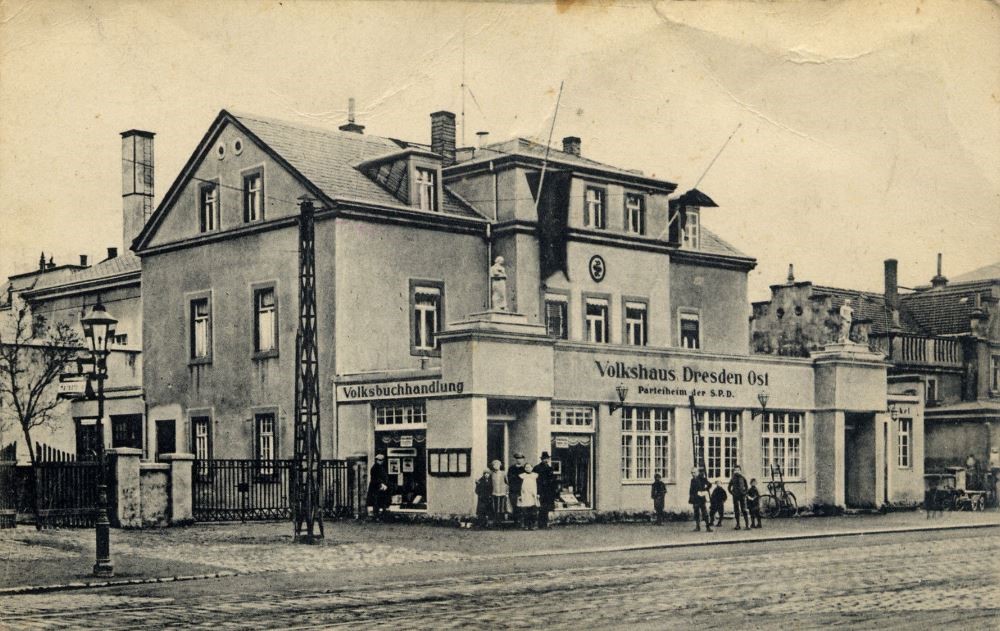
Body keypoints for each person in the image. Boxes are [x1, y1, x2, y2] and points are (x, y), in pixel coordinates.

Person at [534, 452, 559, 529]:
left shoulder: (550, 468)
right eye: (544, 459)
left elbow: (552, 480)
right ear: (541, 459)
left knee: (547, 508)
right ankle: (540, 524)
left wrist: (554, 490)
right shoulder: (537, 468)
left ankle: (545, 524)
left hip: (549, 491)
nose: (546, 460)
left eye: (547, 459)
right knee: (541, 508)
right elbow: (535, 480)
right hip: (541, 490)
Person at [366, 454, 390, 521]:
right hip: (376, 487)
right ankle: (376, 516)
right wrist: (381, 484)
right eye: (379, 460)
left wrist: (385, 484)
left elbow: (385, 477)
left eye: (382, 460)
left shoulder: (382, 467)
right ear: (376, 460)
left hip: (382, 487)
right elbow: (375, 478)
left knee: (381, 501)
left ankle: (382, 515)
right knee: (376, 502)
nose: (381, 461)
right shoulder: (374, 468)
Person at [688, 467, 712, 532]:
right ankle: (697, 527)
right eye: (692, 473)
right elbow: (691, 490)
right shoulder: (692, 480)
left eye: (694, 472)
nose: (693, 474)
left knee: (704, 513)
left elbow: (709, 484)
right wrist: (691, 498)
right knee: (696, 513)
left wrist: (704, 490)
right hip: (695, 499)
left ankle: (708, 527)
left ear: (697, 472)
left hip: (701, 498)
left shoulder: (702, 478)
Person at [518, 462, 540, 530]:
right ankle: (526, 525)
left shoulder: (535, 475)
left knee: (533, 511)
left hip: (533, 494)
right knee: (525, 511)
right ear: (524, 468)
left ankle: (533, 525)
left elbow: (538, 485)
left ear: (532, 468)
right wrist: (520, 495)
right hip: (525, 494)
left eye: (529, 467)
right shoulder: (522, 476)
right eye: (526, 467)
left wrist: (538, 493)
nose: (528, 469)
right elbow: (519, 486)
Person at [728, 464, 750, 530]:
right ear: (734, 471)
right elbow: (729, 487)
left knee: (744, 510)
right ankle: (738, 525)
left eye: (738, 470)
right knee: (736, 510)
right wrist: (732, 493)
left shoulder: (743, 478)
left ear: (740, 471)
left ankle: (747, 525)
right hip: (735, 496)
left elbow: (746, 487)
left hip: (742, 496)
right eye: (735, 470)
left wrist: (745, 492)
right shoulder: (732, 479)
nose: (737, 471)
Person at [507, 452, 526, 524]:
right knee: (514, 505)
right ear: (515, 459)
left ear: (523, 460)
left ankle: (522, 521)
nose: (519, 460)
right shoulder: (511, 468)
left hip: (523, 489)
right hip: (514, 490)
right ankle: (515, 521)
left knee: (522, 505)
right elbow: (510, 479)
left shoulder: (524, 468)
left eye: (521, 459)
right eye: (517, 458)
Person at [489, 459, 508, 526]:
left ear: (500, 465)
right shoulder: (491, 474)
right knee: (495, 507)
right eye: (494, 465)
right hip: (494, 492)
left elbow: (507, 483)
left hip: (502, 492)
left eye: (497, 464)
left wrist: (506, 492)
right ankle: (496, 521)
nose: (496, 466)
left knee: (502, 507)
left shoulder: (504, 473)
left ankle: (501, 521)